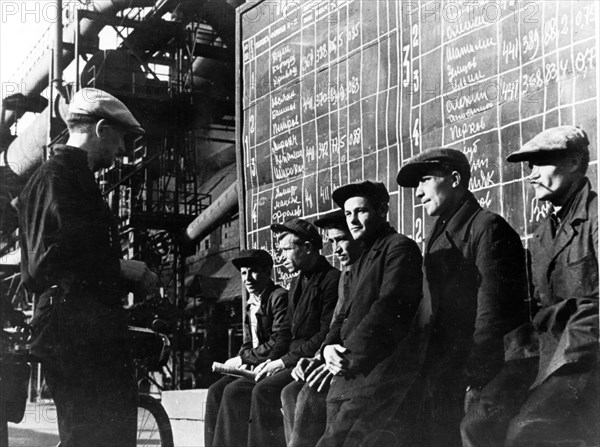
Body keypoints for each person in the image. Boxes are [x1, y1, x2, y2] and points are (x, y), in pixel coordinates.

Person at [18, 88, 158, 447]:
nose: (122, 150)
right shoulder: (57, 178)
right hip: (74, 335)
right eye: (120, 138)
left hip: (86, 330)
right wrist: (122, 269)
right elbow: (44, 265)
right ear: (100, 129)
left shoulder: (71, 179)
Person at [461, 126, 599, 447]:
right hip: (543, 356)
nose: (531, 175)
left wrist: (566, 353)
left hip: (586, 355)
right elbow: (537, 309)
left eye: (540, 164)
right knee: (477, 422)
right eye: (528, 167)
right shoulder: (541, 235)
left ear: (575, 162)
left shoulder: (596, 217)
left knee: (527, 431)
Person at [394, 148, 529, 447]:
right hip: (442, 364)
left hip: (477, 367)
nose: (417, 193)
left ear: (455, 179)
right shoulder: (439, 233)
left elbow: (491, 312)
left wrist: (473, 377)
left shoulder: (487, 228)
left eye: (425, 180)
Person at [212, 218, 340, 447]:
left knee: (262, 390)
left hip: (305, 361)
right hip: (288, 360)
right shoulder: (296, 283)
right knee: (230, 391)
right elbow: (285, 335)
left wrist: (280, 363)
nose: (281, 258)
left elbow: (323, 335)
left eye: (287, 250)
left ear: (308, 248)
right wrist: (270, 361)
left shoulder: (331, 280)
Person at [315, 180, 424, 447]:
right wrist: (328, 347)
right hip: (345, 377)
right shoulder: (359, 259)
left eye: (360, 211)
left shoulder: (399, 247)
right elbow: (342, 315)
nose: (352, 220)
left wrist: (346, 356)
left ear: (383, 210)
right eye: (348, 213)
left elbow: (389, 308)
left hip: (376, 376)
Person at [281, 210, 364, 447]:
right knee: (289, 392)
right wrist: (319, 356)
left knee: (306, 395)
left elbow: (371, 323)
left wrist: (327, 358)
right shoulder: (347, 276)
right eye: (332, 242)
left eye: (341, 240)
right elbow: (336, 325)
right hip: (322, 358)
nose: (336, 249)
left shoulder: (335, 277)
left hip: (355, 362)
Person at [204, 249, 289, 447]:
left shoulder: (279, 298)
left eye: (253, 271)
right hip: (254, 364)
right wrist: (245, 357)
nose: (247, 278)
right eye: (243, 273)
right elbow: (247, 344)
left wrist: (245, 359)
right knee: (215, 390)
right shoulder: (251, 303)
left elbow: (278, 342)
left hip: (274, 365)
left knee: (233, 392)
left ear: (268, 272)